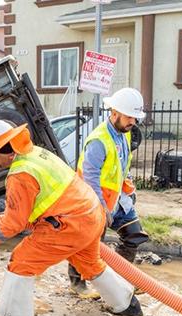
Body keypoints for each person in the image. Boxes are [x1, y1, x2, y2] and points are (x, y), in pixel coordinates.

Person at [0, 120, 144, 316]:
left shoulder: (20, 175)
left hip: (69, 224)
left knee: (21, 261)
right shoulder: (37, 154)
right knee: (90, 263)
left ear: (4, 151)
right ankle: (129, 306)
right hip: (91, 214)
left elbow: (11, 226)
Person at [68, 88, 150, 299]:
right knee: (88, 244)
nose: (133, 121)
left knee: (134, 235)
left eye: (135, 117)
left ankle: (117, 280)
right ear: (114, 113)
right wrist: (100, 207)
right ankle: (77, 284)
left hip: (116, 201)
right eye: (129, 117)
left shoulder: (124, 134)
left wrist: (128, 191)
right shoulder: (98, 140)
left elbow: (121, 167)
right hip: (92, 202)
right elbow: (90, 176)